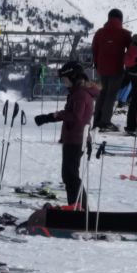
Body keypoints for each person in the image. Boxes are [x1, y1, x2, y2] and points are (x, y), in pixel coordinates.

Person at [33, 61, 98, 207]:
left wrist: (52, 116)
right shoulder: (78, 92)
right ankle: (76, 207)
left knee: (70, 176)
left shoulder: (80, 94)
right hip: (75, 138)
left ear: (73, 77)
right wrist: (50, 118)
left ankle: (79, 208)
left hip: (76, 139)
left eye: (65, 79)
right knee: (69, 175)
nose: (64, 82)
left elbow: (76, 116)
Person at [91, 8, 131, 130]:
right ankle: (105, 122)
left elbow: (94, 49)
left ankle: (96, 120)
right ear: (121, 19)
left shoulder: (99, 32)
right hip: (116, 70)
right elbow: (131, 52)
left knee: (101, 94)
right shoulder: (125, 34)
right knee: (111, 95)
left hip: (101, 70)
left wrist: (97, 64)